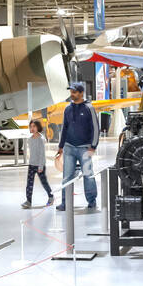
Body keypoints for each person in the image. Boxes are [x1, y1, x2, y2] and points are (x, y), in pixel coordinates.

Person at [56, 81, 100, 213]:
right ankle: (65, 202)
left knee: (88, 175)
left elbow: (95, 129)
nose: (72, 94)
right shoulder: (67, 109)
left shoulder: (89, 108)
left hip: (84, 149)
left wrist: (93, 146)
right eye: (71, 92)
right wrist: (61, 146)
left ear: (81, 93)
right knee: (67, 177)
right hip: (69, 148)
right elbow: (64, 128)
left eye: (74, 92)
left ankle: (92, 201)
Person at [21, 119, 53, 209]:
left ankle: (51, 197)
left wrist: (40, 166)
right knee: (29, 184)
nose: (32, 128)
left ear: (38, 127)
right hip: (31, 164)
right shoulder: (30, 139)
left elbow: (42, 154)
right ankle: (28, 201)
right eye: (31, 126)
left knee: (44, 182)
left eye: (34, 126)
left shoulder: (41, 139)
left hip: (40, 165)